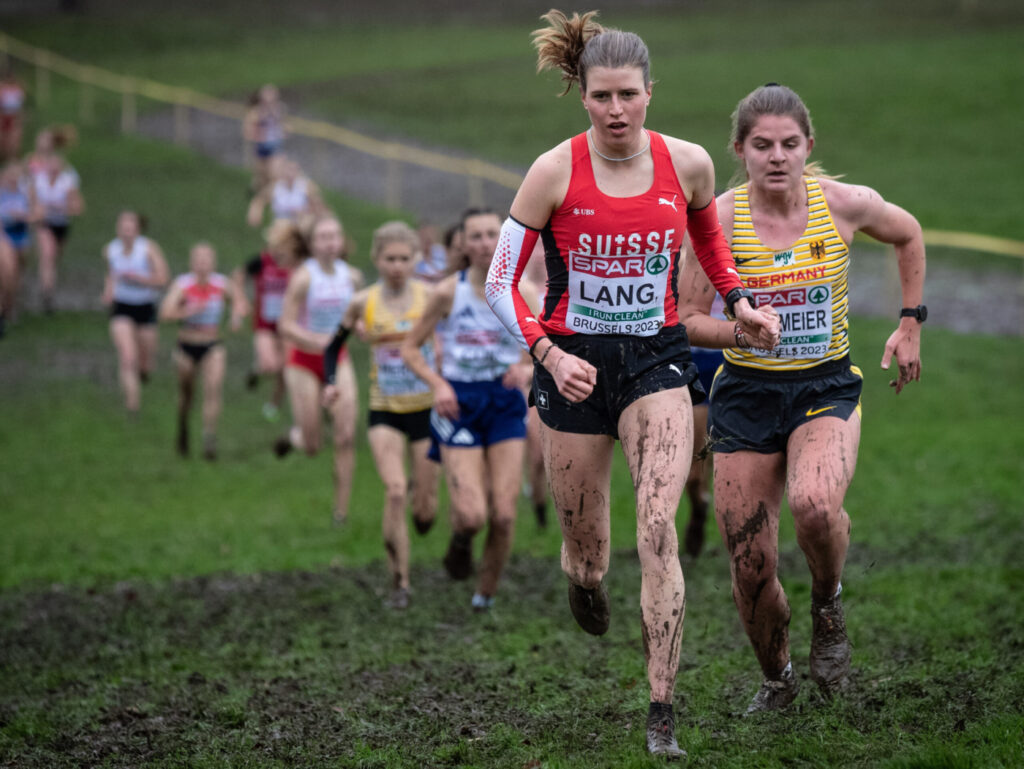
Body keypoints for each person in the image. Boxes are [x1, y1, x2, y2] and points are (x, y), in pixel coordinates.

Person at [483, 11, 779, 758]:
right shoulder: (553, 171)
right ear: (581, 95)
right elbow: (497, 279)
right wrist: (548, 355)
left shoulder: (690, 164)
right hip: (575, 369)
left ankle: (660, 710)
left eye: (628, 95)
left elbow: (709, 240)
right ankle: (583, 579)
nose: (615, 110)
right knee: (588, 553)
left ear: (651, 93)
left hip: (656, 361)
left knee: (656, 532)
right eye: (601, 96)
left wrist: (739, 300)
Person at [677, 83, 926, 714]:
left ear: (809, 146)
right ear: (740, 150)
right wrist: (740, 328)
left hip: (825, 387)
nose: (778, 156)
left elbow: (909, 233)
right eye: (762, 145)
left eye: (790, 143)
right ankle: (779, 679)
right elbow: (683, 317)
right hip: (745, 396)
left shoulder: (843, 204)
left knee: (815, 506)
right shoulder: (718, 221)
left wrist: (909, 323)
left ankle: (828, 603)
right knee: (750, 565)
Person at [401, 207, 536, 614]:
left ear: (505, 239)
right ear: (462, 243)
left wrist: (527, 366)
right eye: (474, 236)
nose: (483, 243)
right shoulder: (447, 292)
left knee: (505, 514)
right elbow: (410, 348)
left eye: (491, 234)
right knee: (473, 514)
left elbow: (553, 344)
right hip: (458, 402)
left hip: (505, 402)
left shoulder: (522, 290)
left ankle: (485, 596)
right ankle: (461, 540)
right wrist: (439, 384)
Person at [322, 220, 441, 609]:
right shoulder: (363, 302)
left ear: (415, 260)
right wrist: (329, 382)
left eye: (404, 258)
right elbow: (331, 346)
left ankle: (423, 514)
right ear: (376, 259)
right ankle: (401, 582)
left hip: (426, 410)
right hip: (384, 410)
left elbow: (448, 339)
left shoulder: (431, 296)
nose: (396, 266)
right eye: (389, 258)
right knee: (394, 491)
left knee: (424, 511)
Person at [276, 214, 363, 526]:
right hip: (302, 361)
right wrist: (317, 340)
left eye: (335, 236)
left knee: (345, 436)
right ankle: (296, 437)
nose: (330, 242)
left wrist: (363, 329)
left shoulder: (352, 277)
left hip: (338, 360)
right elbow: (284, 325)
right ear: (312, 245)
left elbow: (357, 318)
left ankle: (340, 512)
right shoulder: (303, 278)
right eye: (324, 237)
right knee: (314, 446)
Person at [159, 242, 246, 460]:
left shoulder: (221, 284)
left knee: (213, 390)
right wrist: (188, 310)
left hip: (212, 345)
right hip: (186, 346)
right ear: (191, 263)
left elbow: (239, 301)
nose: (202, 264)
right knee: (187, 395)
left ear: (213, 262)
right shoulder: (183, 285)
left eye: (206, 260)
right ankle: (183, 426)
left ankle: (209, 438)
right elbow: (165, 313)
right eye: (198, 260)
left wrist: (236, 316)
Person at [232, 218, 306, 420]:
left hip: (288, 323)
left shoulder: (298, 265)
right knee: (270, 365)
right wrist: (240, 301)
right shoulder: (261, 261)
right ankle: (257, 370)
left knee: (285, 367)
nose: (281, 249)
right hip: (264, 323)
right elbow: (238, 277)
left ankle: (274, 403)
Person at [101, 211, 169, 413]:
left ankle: (143, 373)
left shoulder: (148, 249)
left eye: (130, 227)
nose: (126, 231)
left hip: (146, 307)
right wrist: (108, 292)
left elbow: (163, 279)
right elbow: (111, 275)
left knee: (145, 365)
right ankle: (132, 406)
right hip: (121, 307)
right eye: (123, 227)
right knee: (127, 357)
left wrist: (140, 280)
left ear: (138, 230)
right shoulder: (110, 250)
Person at [680, 289, 726, 558]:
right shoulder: (684, 253)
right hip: (693, 361)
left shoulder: (744, 250)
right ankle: (699, 508)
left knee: (728, 459)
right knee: (694, 471)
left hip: (729, 359)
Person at [31, 134, 84, 313]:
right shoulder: (38, 180)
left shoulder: (67, 180)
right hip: (44, 224)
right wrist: (39, 211)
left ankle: (48, 283)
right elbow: (33, 205)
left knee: (54, 257)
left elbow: (78, 207)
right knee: (48, 254)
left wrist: (60, 208)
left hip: (61, 224)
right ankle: (47, 293)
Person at [246, 156, 326, 229]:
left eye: (293, 170)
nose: (290, 174)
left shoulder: (306, 186)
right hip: (280, 224)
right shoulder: (275, 187)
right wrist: (255, 214)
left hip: (300, 224)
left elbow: (318, 204)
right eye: (288, 170)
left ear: (298, 172)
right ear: (283, 172)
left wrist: (306, 212)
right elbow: (259, 200)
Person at [0, 160, 34, 328]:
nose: (12, 179)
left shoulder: (25, 193)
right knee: (8, 271)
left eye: (16, 176)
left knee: (17, 273)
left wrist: (25, 216)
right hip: (4, 236)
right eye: (10, 175)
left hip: (21, 236)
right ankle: (6, 308)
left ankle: (10, 302)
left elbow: (38, 212)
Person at [243, 84, 286, 193]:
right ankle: (258, 195)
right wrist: (259, 135)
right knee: (261, 178)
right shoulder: (255, 112)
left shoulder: (279, 109)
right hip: (261, 146)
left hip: (275, 146)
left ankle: (274, 201)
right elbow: (247, 131)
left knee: (275, 175)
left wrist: (283, 132)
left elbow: (285, 126)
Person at [0, 68, 26, 162]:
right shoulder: (2, 89)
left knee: (14, 140)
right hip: (3, 116)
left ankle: (13, 159)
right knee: (3, 139)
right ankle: (4, 158)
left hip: (14, 116)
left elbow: (20, 105)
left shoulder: (17, 90)